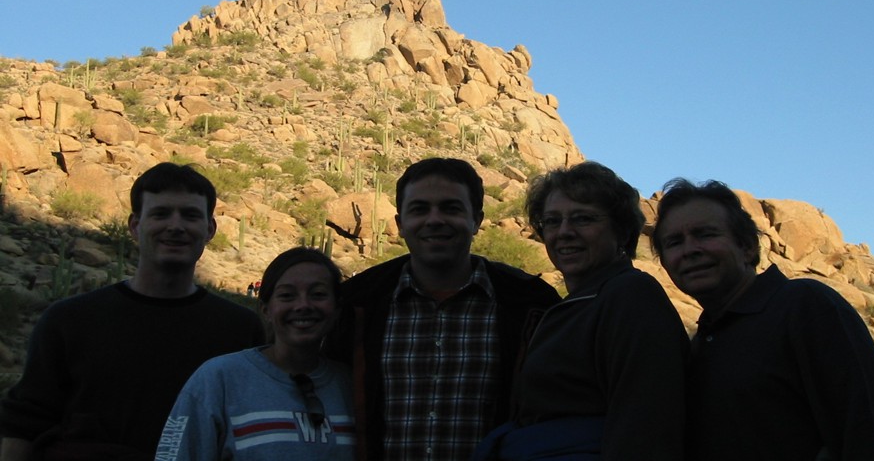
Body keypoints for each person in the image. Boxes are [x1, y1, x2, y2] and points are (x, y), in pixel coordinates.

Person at [0, 162, 266, 461]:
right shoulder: (69, 320)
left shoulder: (240, 329)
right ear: (134, 226)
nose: (175, 226)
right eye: (160, 213)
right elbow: (25, 423)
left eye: (190, 215)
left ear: (210, 229)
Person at [327, 157, 561, 460]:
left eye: (451, 208)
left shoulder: (530, 304)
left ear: (476, 220)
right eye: (420, 209)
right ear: (399, 224)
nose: (434, 220)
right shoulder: (357, 302)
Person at [652, 178, 874, 460]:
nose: (690, 250)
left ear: (747, 247)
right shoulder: (700, 344)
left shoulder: (804, 306)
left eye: (706, 234)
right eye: (674, 242)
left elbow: (871, 424)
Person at [474, 161, 689, 460]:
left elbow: (647, 422)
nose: (564, 232)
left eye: (583, 219)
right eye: (552, 221)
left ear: (621, 230)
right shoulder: (579, 303)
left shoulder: (630, 296)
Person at [155, 247, 355, 460]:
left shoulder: (351, 386)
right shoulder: (218, 379)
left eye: (318, 294)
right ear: (266, 310)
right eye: (287, 296)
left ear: (337, 310)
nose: (303, 305)